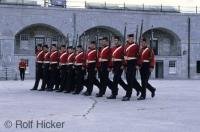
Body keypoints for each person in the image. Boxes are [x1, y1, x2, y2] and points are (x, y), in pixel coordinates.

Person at [123, 34, 142, 101]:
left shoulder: (136, 46)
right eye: (129, 38)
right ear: (127, 38)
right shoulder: (125, 46)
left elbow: (139, 56)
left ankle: (128, 95)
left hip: (133, 63)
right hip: (127, 64)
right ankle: (140, 90)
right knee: (130, 80)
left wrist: (138, 64)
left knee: (130, 80)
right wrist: (124, 65)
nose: (131, 39)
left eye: (132, 38)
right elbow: (124, 56)